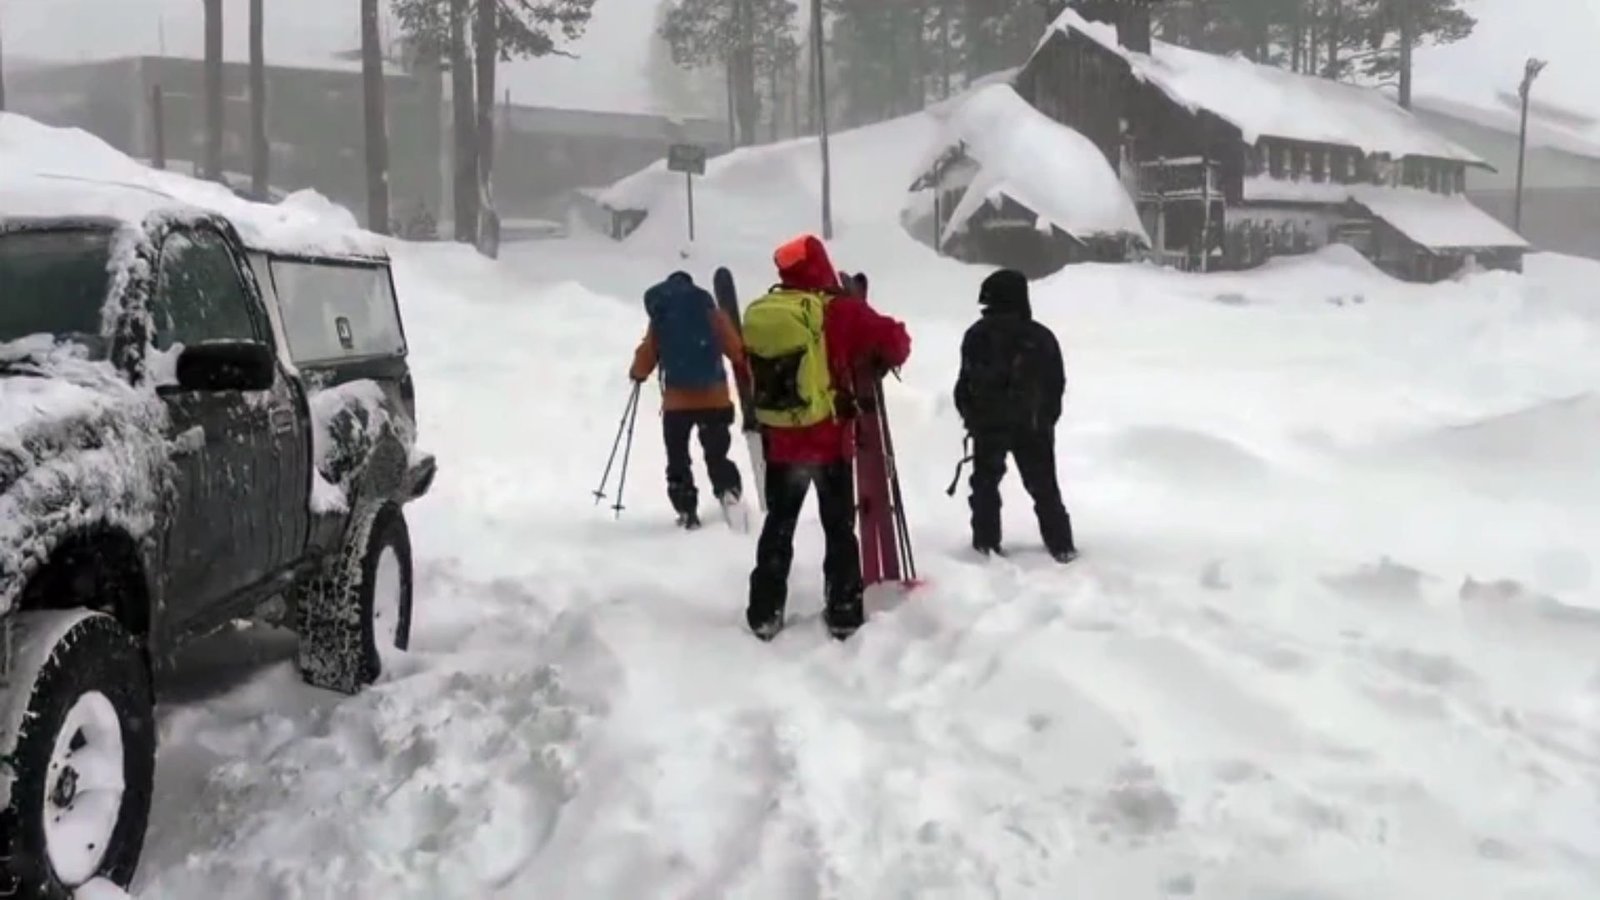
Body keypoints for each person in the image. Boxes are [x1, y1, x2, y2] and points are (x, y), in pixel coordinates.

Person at [743, 235, 911, 641]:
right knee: (838, 528)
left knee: (779, 525)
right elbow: (896, 342)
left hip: (781, 442)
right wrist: (859, 308)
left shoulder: (768, 311)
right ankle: (843, 611)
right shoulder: (840, 311)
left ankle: (765, 611)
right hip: (828, 440)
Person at [953, 268, 1078, 563]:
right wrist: (1045, 419)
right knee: (1044, 487)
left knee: (984, 486)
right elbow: (1056, 385)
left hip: (988, 425)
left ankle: (985, 546)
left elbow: (964, 383)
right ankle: (1061, 546)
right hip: (1032, 426)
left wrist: (971, 416)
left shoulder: (976, 335)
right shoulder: (1041, 337)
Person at [630, 271, 749, 529]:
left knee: (678, 457)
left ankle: (686, 508)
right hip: (714, 399)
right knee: (717, 452)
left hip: (677, 404)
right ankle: (728, 490)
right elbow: (736, 350)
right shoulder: (709, 311)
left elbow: (648, 352)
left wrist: (637, 374)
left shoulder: (663, 315)